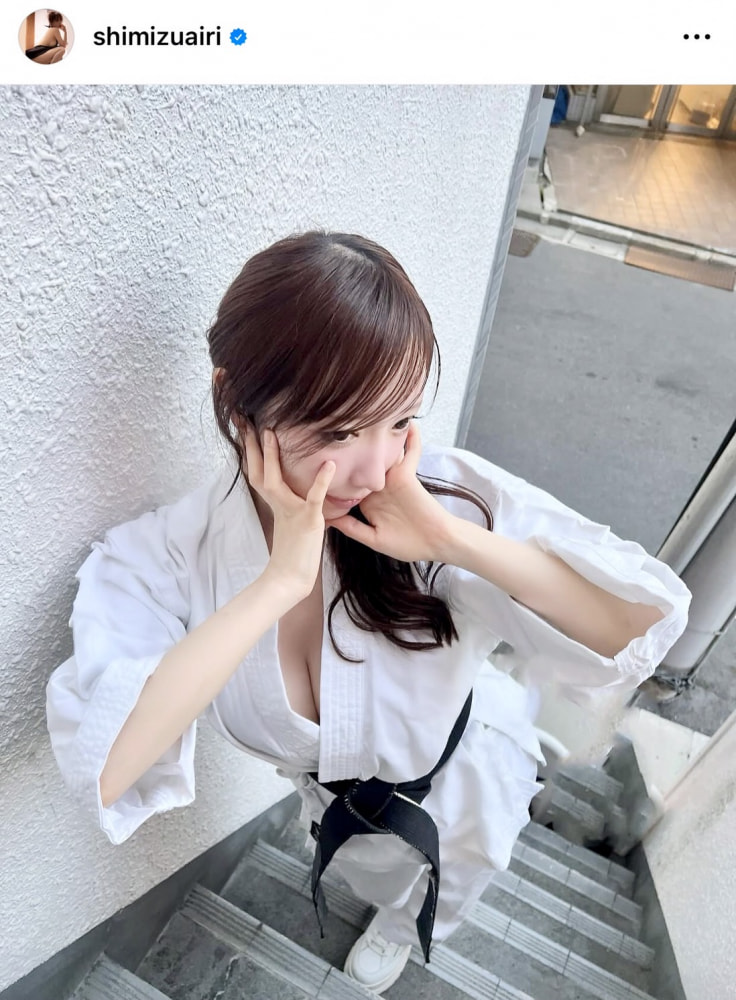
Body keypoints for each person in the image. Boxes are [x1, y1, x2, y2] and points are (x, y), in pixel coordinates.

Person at [46, 231, 690, 995]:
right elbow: (111, 768)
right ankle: (391, 908)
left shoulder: (434, 494)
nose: (375, 467)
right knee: (380, 876)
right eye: (339, 430)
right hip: (341, 819)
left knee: (449, 886)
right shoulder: (171, 554)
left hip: (465, 790)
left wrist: (450, 539)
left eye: (398, 420)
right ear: (236, 402)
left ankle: (405, 927)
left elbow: (633, 628)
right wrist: (276, 585)